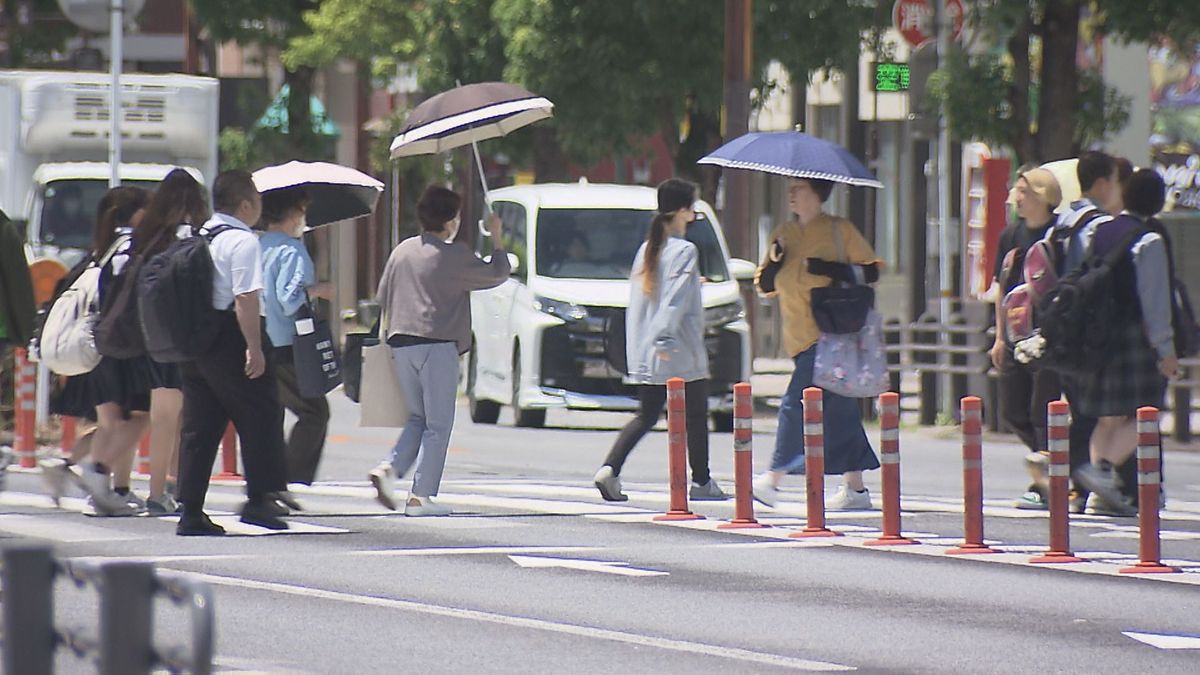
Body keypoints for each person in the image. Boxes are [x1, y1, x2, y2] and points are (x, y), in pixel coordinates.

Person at [368, 186, 510, 516]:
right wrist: (498, 237)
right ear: (450, 221)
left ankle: (390, 467)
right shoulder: (455, 255)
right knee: (439, 424)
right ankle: (420, 496)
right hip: (438, 344)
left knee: (418, 418)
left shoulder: (402, 251)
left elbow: (381, 296)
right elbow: (498, 273)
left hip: (401, 342)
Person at [592, 179, 727, 503]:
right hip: (676, 348)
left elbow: (654, 298)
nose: (693, 214)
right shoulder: (684, 249)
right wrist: (665, 340)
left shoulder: (647, 249)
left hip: (649, 350)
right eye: (692, 207)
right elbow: (674, 301)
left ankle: (610, 468)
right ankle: (702, 481)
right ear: (683, 211)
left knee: (647, 414)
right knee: (696, 413)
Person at [751, 178, 881, 510]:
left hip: (830, 334)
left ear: (817, 194)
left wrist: (829, 268)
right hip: (796, 338)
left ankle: (773, 477)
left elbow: (871, 272)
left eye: (799, 189)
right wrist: (777, 259)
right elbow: (764, 285)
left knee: (795, 402)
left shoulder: (839, 230)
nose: (791, 195)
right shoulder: (784, 233)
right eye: (791, 190)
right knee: (839, 412)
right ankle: (856, 490)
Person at [175, 169, 290, 535]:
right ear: (245, 204)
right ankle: (260, 499)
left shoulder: (199, 235)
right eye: (256, 199)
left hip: (195, 339)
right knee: (261, 414)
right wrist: (254, 347)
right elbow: (245, 298)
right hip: (230, 335)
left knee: (200, 424)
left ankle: (190, 509)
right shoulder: (242, 242)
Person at [1071, 170, 1177, 512]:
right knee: (1149, 413)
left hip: (1097, 337)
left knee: (1109, 417)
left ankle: (1103, 493)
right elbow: (1155, 301)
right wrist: (1166, 351)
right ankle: (1100, 471)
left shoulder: (1098, 230)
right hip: (1133, 337)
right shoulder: (1149, 240)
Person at [56, 187, 154, 516]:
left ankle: (103, 490)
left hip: (95, 343)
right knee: (139, 418)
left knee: (111, 421)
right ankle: (98, 474)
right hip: (121, 346)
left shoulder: (102, 247)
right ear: (137, 213)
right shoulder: (131, 246)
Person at [132, 169, 216, 515]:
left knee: (163, 416)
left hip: (153, 335)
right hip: (189, 335)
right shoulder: (197, 236)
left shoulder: (148, 235)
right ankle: (169, 489)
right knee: (182, 416)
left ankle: (161, 488)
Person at [989, 167, 1064, 510]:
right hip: (1016, 334)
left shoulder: (1060, 234)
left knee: (1041, 410)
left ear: (1044, 195)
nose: (1017, 198)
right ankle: (1056, 466)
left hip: (1050, 334)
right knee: (1013, 410)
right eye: (1017, 191)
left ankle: (1046, 483)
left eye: (1024, 191)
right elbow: (1002, 288)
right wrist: (999, 337)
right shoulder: (1011, 235)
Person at [259, 187, 333, 486]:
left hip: (260, 341)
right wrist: (318, 291)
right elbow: (290, 299)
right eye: (302, 210)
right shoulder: (292, 250)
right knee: (315, 412)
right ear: (291, 213)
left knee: (271, 415)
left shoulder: (258, 246)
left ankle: (269, 479)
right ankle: (288, 477)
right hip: (289, 344)